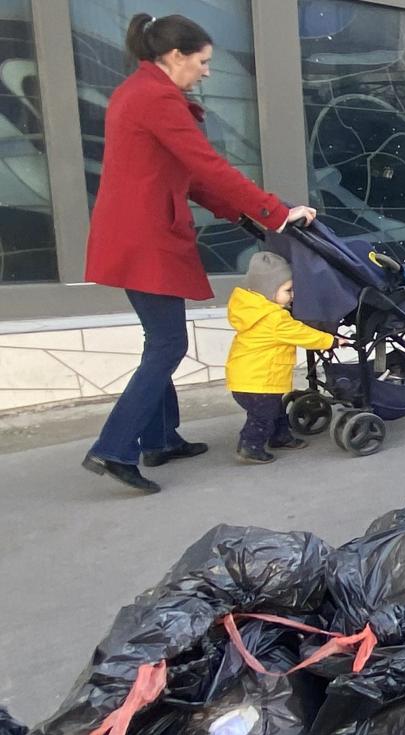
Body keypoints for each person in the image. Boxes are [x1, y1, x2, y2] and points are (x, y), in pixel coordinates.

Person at [81, 14, 317, 493]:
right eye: (203, 61)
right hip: (147, 239)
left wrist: (249, 215)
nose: (207, 71)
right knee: (168, 345)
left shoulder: (138, 92)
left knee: (159, 341)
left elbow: (190, 179)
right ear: (176, 56)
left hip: (133, 236)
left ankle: (161, 439)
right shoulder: (158, 98)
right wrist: (275, 213)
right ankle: (113, 448)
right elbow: (207, 166)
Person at [225, 253, 346, 464]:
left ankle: (280, 436)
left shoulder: (252, 310)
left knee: (274, 408)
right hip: (258, 381)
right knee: (263, 416)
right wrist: (332, 341)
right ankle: (249, 446)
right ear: (270, 292)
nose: (292, 295)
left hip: (246, 378)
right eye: (287, 290)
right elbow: (302, 334)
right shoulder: (274, 319)